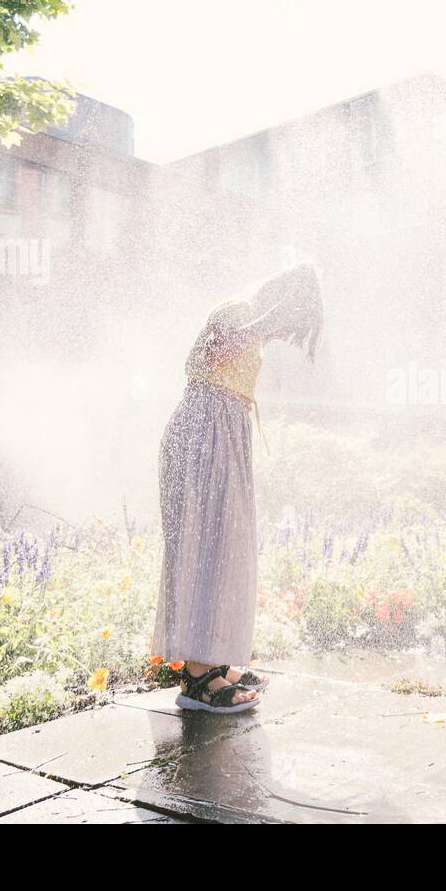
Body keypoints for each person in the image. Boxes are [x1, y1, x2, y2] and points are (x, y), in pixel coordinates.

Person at [153, 264, 322, 713]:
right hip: (203, 435)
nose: (287, 332)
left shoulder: (254, 326)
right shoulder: (236, 311)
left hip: (222, 435)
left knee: (225, 549)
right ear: (280, 299)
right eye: (292, 320)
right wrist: (271, 320)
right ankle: (198, 678)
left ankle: (215, 663)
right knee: (204, 546)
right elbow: (205, 358)